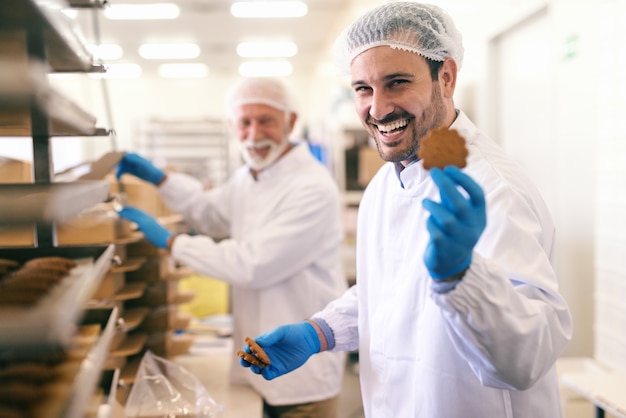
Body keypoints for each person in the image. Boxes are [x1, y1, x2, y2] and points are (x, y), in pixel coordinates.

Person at [237, 3, 573, 418]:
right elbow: (392, 293)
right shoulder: (386, 183)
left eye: (397, 83)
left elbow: (528, 356)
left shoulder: (495, 189)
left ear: (445, 78)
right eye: (363, 89)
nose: (378, 109)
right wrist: (321, 331)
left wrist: (462, 279)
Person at [115, 77, 347, 418]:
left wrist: (172, 242)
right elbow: (211, 215)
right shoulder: (249, 177)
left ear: (291, 122)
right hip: (257, 363)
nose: (254, 134)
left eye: (265, 120)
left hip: (301, 375)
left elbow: (252, 265)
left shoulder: (311, 187)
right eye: (245, 122)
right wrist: (161, 180)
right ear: (232, 126)